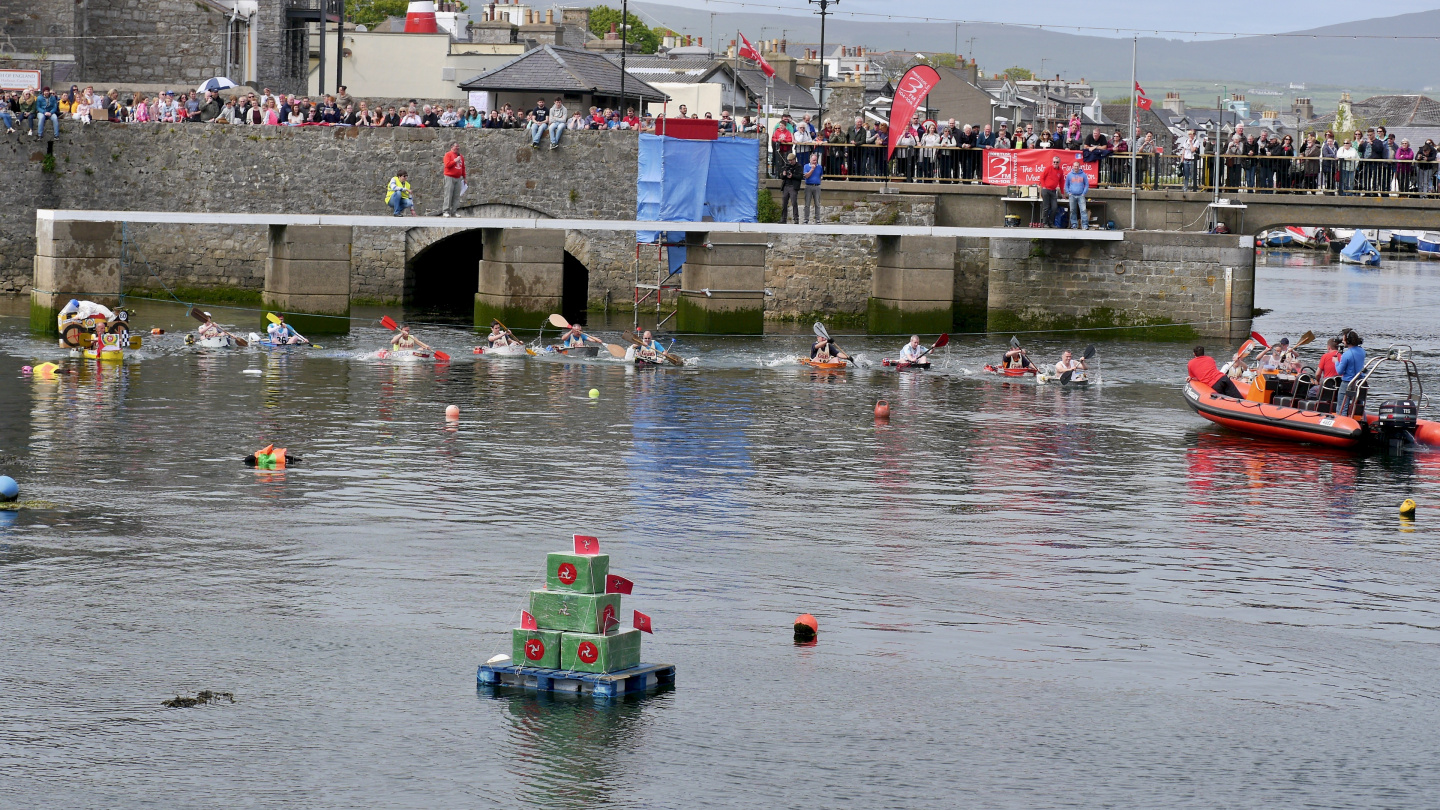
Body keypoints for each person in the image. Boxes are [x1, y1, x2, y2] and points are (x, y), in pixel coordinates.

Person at [1336, 330, 1366, 416]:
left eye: (1344, 339)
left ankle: (1342, 422)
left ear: (1348, 341)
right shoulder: (1362, 351)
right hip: (1360, 382)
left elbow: (1339, 371)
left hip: (1348, 382)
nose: (1342, 341)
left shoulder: (1346, 354)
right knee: (1358, 404)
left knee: (1342, 406)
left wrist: (1336, 362)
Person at [1038, 155, 1063, 228]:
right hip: (1046, 190)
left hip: (1053, 191)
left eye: (1057, 162)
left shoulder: (1060, 171)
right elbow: (1042, 177)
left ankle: (1051, 222)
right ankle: (1045, 223)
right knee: (1046, 207)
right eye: (1054, 162)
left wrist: (1062, 192)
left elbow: (1061, 182)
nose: (1055, 163)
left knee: (1054, 207)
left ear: (1059, 163)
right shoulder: (1048, 168)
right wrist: (1044, 186)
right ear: (1052, 162)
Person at [442, 143, 466, 218]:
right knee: (448, 194)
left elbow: (463, 167)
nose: (458, 148)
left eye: (458, 146)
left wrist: (464, 177)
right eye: (456, 146)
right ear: (451, 147)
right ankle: (446, 211)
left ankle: (454, 211)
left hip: (458, 178)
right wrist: (455, 160)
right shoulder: (448, 155)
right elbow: (447, 165)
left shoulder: (461, 156)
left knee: (456, 195)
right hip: (449, 177)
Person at [778, 153, 802, 224]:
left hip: (793, 186)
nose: (790, 162)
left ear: (794, 159)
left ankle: (796, 218)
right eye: (789, 160)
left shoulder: (799, 166)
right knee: (784, 203)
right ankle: (783, 218)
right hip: (786, 186)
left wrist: (792, 176)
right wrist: (783, 174)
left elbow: (800, 176)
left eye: (791, 160)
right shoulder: (786, 166)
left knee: (794, 202)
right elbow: (781, 177)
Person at [1065, 162, 1089, 230]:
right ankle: (1074, 224)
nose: (1076, 168)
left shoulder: (1083, 175)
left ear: (1079, 167)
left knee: (1083, 210)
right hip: (1072, 195)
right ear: (1072, 166)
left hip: (1081, 195)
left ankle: (1084, 225)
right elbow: (1066, 185)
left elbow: (1086, 184)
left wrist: (1084, 193)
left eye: (1077, 166)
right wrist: (1068, 192)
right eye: (1075, 166)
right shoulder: (1069, 175)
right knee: (1072, 210)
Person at [802, 152, 823, 224]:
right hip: (808, 186)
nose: (815, 162)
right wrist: (812, 169)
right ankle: (806, 219)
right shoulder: (806, 166)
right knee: (807, 204)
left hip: (817, 186)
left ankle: (817, 219)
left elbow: (821, 176)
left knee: (817, 203)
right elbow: (806, 176)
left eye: (816, 160)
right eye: (813, 160)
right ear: (810, 160)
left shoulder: (820, 167)